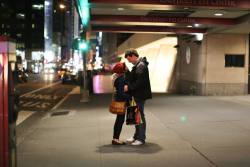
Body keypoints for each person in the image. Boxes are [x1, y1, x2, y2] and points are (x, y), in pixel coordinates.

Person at [124, 48, 152, 146]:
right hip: (137, 94)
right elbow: (133, 79)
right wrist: (127, 71)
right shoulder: (137, 65)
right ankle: (137, 136)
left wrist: (129, 87)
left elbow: (139, 82)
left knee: (139, 116)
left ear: (133, 56)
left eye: (129, 59)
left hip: (140, 94)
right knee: (136, 115)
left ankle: (141, 138)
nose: (129, 61)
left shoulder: (141, 66)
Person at [111, 62, 130, 145]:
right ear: (122, 70)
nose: (127, 68)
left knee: (119, 120)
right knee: (120, 120)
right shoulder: (121, 79)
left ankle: (115, 138)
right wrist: (130, 97)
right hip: (121, 102)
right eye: (125, 67)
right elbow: (121, 93)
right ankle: (116, 139)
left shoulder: (116, 77)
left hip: (119, 101)